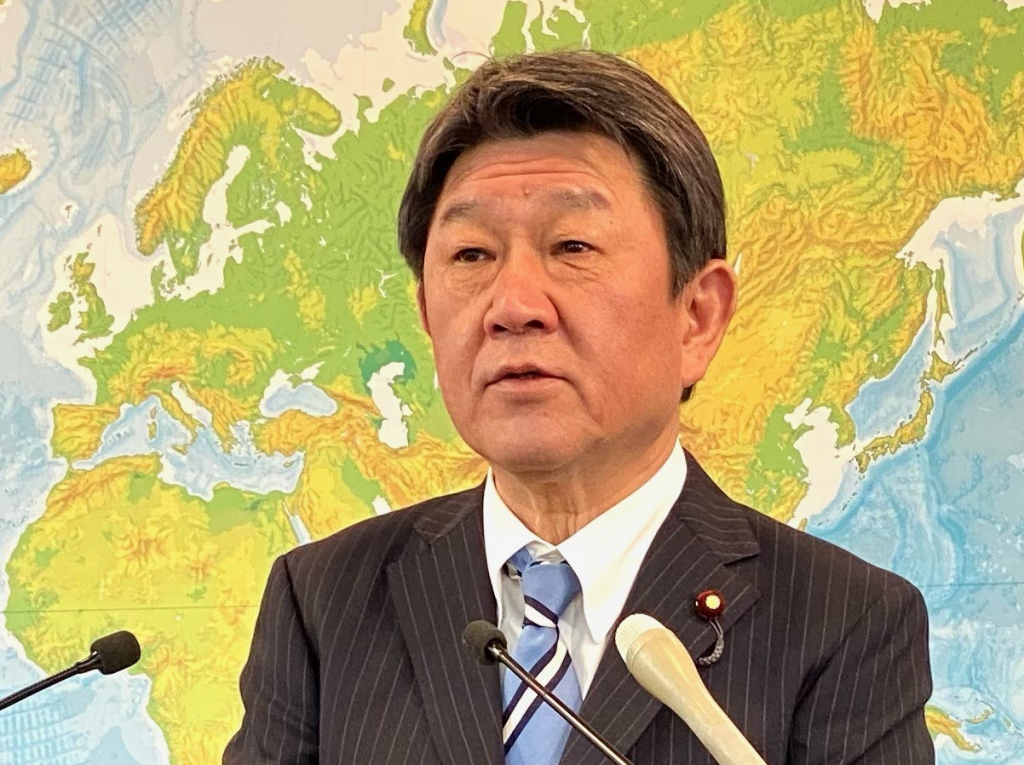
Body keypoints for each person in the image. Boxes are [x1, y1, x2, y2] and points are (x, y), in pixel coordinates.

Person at [223, 50, 934, 765]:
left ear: (697, 315)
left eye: (572, 245)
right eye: (471, 255)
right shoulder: (324, 602)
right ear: (428, 317)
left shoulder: (844, 622)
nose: (513, 305)